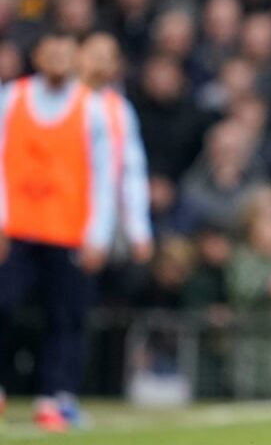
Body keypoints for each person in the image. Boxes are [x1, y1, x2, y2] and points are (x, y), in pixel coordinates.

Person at [0, 33, 116, 431]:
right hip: (16, 228)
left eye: (66, 53)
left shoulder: (91, 108)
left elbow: (104, 175)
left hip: (67, 231)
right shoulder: (10, 99)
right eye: (52, 52)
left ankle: (55, 396)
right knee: (3, 306)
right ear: (37, 55)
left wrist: (98, 235)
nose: (59, 60)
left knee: (65, 318)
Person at [77, 33, 153, 266]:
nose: (100, 63)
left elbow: (131, 171)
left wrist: (139, 230)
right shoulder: (62, 101)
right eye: (94, 55)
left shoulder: (119, 109)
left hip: (103, 219)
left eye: (108, 58)